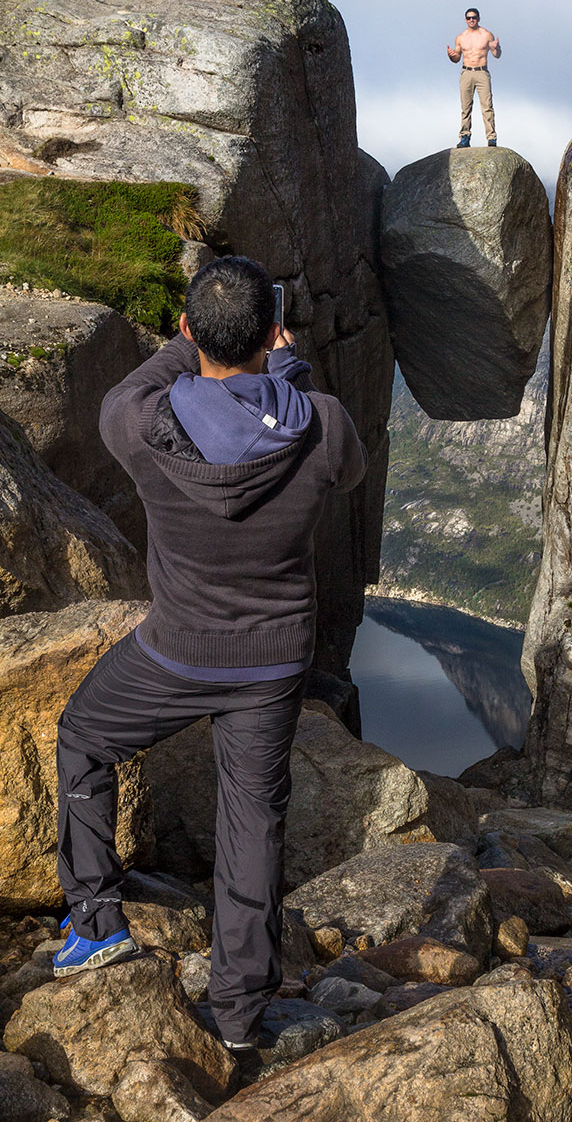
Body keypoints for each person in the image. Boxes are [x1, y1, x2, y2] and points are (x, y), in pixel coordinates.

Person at [53, 256, 367, 1050]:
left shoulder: (136, 420)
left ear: (190, 332)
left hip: (175, 656)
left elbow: (151, 381)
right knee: (251, 822)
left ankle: (95, 922)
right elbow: (334, 455)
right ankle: (237, 1015)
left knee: (85, 737)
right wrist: (283, 365)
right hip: (272, 663)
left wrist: (192, 343)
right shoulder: (323, 423)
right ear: (271, 332)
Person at [446, 8, 501, 148]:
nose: (472, 20)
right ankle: (465, 137)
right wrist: (451, 56)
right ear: (465, 19)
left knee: (487, 106)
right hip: (466, 72)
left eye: (474, 17)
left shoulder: (487, 35)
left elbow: (496, 55)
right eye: (469, 18)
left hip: (482, 72)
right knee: (466, 107)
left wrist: (496, 47)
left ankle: (491, 138)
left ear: (479, 18)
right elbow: (457, 58)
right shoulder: (461, 37)